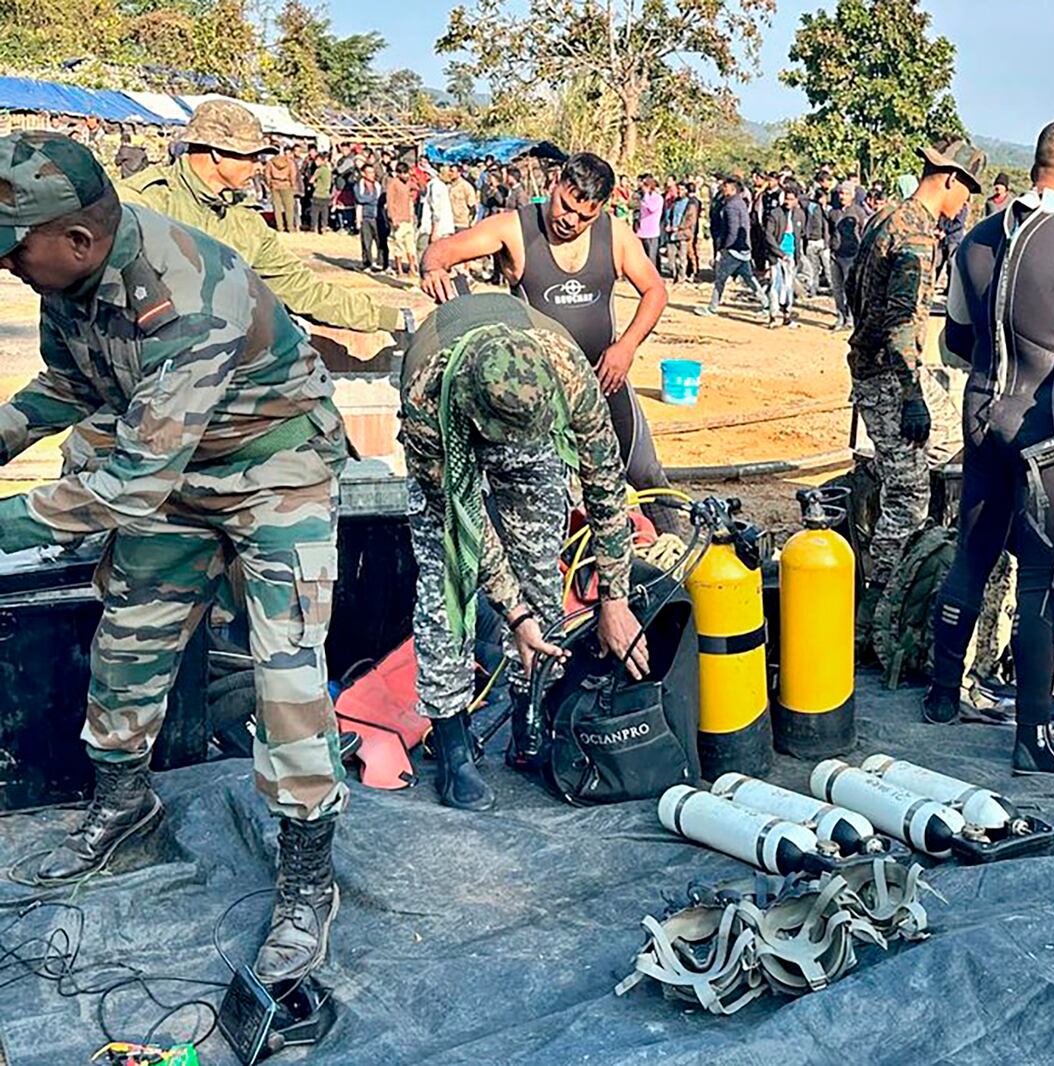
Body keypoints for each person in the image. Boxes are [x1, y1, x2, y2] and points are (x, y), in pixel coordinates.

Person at [0, 130, 347, 982]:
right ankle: (125, 808)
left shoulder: (187, 291)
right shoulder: (72, 276)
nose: (8, 268)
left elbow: (123, 486)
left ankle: (307, 874)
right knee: (128, 643)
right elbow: (72, 386)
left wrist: (7, 521)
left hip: (276, 474)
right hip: (175, 476)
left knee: (287, 675)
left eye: (14, 253)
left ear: (75, 239)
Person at [922, 119, 1054, 774]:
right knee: (1043, 582)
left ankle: (939, 696)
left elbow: (956, 340)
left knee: (973, 553)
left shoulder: (980, 237)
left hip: (981, 413)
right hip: (1045, 427)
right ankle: (1032, 739)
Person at [398, 294, 648, 810]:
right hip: (451, 427)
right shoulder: (425, 396)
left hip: (527, 422)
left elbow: (605, 483)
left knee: (539, 566)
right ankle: (451, 741)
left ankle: (529, 713)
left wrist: (614, 598)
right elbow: (464, 525)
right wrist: (514, 615)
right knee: (447, 583)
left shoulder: (567, 372)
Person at [415, 152, 679, 530]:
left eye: (584, 216)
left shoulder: (615, 233)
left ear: (601, 208)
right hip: (539, 392)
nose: (570, 221)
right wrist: (433, 269)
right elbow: (441, 251)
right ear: (555, 185)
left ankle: (679, 563)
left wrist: (626, 347)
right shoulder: (514, 229)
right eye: (565, 206)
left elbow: (655, 290)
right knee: (552, 496)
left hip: (603, 378)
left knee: (645, 472)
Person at [845, 139, 985, 642]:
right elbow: (902, 324)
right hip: (890, 375)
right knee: (907, 495)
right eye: (965, 191)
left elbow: (856, 293)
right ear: (949, 180)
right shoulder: (918, 236)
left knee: (937, 453)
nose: (965, 203)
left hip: (872, 365)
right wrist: (911, 394)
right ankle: (876, 616)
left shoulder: (887, 218)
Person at [117, 102, 405, 336]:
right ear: (217, 153)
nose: (258, 166)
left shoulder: (244, 221)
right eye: (251, 156)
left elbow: (301, 288)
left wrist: (388, 318)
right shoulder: (144, 202)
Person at [699, 176, 767, 317]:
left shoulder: (731, 206)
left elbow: (732, 230)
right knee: (749, 278)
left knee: (720, 279)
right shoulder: (739, 203)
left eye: (726, 187)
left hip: (734, 249)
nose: (723, 188)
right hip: (743, 248)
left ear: (733, 189)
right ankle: (766, 304)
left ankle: (712, 308)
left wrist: (725, 248)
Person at [763, 183, 804, 329]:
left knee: (788, 286)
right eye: (786, 199)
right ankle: (773, 316)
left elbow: (800, 236)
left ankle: (787, 315)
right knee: (776, 285)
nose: (788, 202)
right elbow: (769, 236)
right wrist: (780, 254)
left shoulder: (800, 215)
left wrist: (797, 255)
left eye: (791, 199)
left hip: (792, 255)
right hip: (777, 255)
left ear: (796, 200)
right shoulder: (775, 214)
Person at [827, 184, 868, 332]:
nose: (842, 196)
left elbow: (864, 233)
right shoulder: (833, 212)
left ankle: (851, 319)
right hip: (834, 254)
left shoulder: (858, 212)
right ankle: (840, 316)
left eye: (845, 194)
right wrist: (829, 247)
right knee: (837, 288)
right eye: (840, 194)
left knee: (849, 288)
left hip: (851, 255)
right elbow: (829, 231)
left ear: (852, 195)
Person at [386, 164, 418, 277]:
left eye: (407, 173)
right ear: (398, 173)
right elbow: (389, 202)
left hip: (408, 218)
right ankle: (399, 269)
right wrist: (393, 218)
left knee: (411, 246)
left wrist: (415, 178)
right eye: (403, 173)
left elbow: (420, 187)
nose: (406, 175)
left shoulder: (409, 182)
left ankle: (412, 268)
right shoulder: (393, 184)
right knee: (398, 245)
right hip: (398, 219)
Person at [353, 163, 384, 273]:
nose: (372, 175)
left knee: (380, 241)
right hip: (365, 217)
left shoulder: (378, 186)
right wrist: (374, 198)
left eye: (373, 172)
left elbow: (380, 199)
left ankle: (380, 263)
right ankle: (367, 263)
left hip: (378, 217)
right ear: (363, 174)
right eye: (369, 172)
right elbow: (360, 199)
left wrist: (372, 199)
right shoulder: (358, 186)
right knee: (366, 242)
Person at [265, 144, 298, 233]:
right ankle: (290, 227)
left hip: (275, 185)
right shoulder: (290, 162)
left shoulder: (271, 162)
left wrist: (270, 184)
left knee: (277, 208)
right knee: (289, 208)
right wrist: (292, 184)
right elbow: (293, 175)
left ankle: (280, 227)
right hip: (286, 184)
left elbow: (267, 175)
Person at [635, 175, 664, 266]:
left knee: (651, 257)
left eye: (645, 185)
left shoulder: (658, 198)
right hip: (642, 231)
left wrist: (647, 195)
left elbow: (651, 208)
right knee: (642, 256)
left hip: (652, 232)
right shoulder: (643, 197)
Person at [308, 151, 334, 234]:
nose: (316, 162)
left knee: (315, 213)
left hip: (318, 194)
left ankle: (314, 229)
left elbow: (311, 180)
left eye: (317, 160)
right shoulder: (328, 170)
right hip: (326, 194)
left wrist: (315, 184)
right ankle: (323, 228)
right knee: (324, 213)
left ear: (322, 161)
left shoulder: (319, 170)